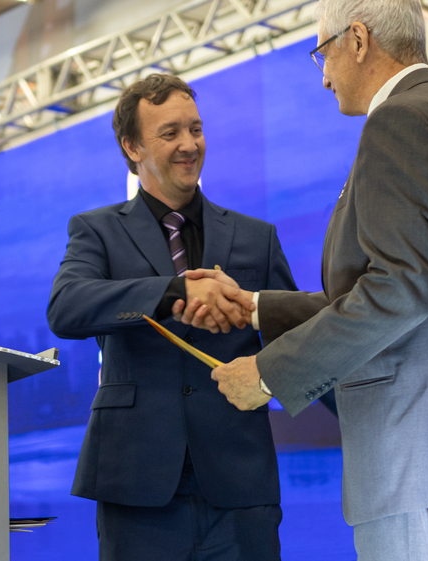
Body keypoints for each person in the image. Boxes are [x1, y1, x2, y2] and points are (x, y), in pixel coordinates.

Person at [175, 0, 428, 558]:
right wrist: (255, 307)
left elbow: (398, 291)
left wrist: (268, 374)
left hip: (419, 460)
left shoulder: (398, 121)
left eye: (323, 53)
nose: (324, 77)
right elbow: (411, 290)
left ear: (359, 40)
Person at [47, 73, 298, 561]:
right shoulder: (97, 230)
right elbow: (66, 307)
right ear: (132, 146)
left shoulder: (257, 237)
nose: (189, 145)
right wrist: (172, 291)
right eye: (170, 133)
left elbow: (296, 335)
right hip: (135, 487)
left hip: (240, 483)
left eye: (196, 129)